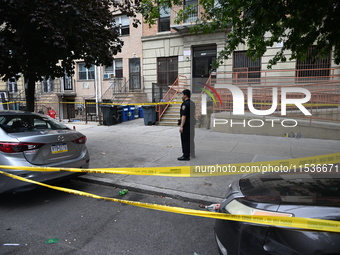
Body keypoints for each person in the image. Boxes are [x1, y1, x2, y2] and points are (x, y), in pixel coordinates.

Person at [178, 89, 196, 161]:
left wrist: (181, 126)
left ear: (185, 95)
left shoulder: (185, 104)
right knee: (191, 139)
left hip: (186, 124)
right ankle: (192, 153)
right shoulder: (192, 103)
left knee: (185, 140)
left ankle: (186, 155)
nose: (182, 96)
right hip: (191, 123)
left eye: (182, 94)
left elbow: (184, 115)